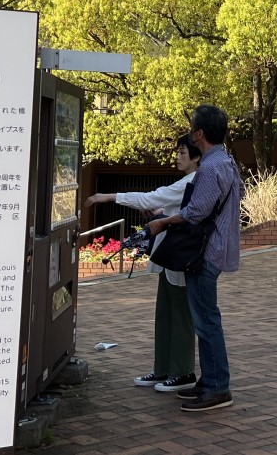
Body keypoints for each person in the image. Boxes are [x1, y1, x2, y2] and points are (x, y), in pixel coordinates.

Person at [84, 134, 199, 393]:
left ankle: (182, 372)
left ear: (196, 156)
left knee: (179, 315)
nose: (177, 157)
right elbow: (168, 208)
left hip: (180, 256)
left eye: (183, 152)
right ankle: (164, 369)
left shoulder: (194, 181)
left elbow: (152, 198)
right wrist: (160, 214)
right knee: (166, 313)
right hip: (170, 256)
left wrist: (109, 196)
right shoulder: (187, 182)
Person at [146, 105, 243, 413]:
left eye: (191, 127)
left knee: (207, 322)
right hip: (216, 248)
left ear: (199, 134)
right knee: (206, 319)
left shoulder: (212, 167)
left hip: (205, 253)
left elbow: (195, 213)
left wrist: (162, 221)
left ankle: (218, 388)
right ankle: (210, 380)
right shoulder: (225, 161)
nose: (189, 131)